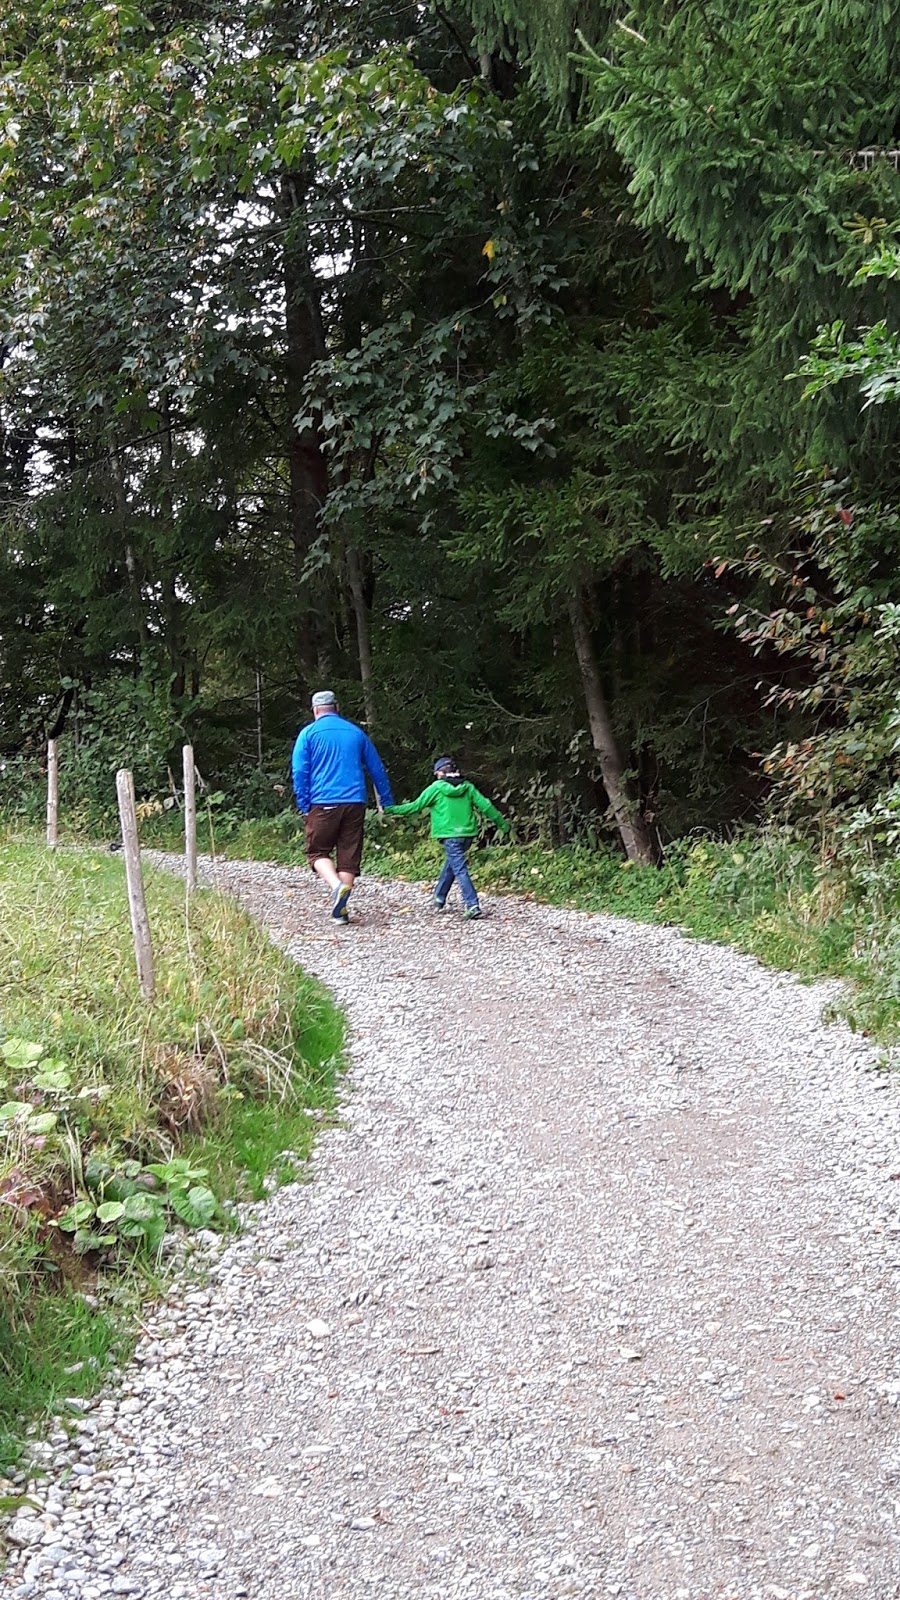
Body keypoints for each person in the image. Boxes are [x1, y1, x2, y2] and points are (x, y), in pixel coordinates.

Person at [291, 690, 394, 922]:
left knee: (316, 851)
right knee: (348, 855)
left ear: (315, 710)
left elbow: (300, 772)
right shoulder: (356, 733)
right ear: (336, 707)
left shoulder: (308, 734)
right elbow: (377, 768)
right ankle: (341, 911)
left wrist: (304, 804)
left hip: (323, 801)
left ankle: (337, 886)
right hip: (355, 802)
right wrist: (386, 801)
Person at [385, 756, 510, 920]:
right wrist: (502, 824)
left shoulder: (436, 788)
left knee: (459, 868)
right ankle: (439, 896)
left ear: (440, 773)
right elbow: (485, 805)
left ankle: (472, 905)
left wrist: (391, 809)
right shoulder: (467, 787)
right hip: (467, 835)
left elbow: (415, 806)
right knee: (452, 864)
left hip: (450, 836)